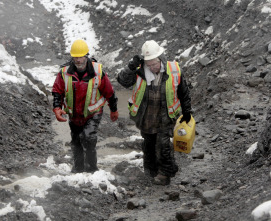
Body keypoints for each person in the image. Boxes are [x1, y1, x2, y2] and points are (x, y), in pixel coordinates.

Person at [117, 40, 192, 185]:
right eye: (149, 64)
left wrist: (187, 111)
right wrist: (130, 67)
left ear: (161, 58)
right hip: (146, 115)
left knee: (163, 144)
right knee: (149, 144)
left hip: (166, 115)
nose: (152, 68)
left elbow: (184, 92)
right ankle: (150, 171)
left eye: (154, 64)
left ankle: (165, 174)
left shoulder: (174, 69)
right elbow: (122, 81)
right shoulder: (139, 70)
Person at [52, 39, 119, 173]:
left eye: (81, 57)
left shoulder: (97, 71)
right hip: (74, 115)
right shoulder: (64, 72)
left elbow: (109, 92)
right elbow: (57, 91)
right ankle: (78, 169)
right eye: (75, 57)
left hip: (92, 113)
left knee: (88, 137)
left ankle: (92, 170)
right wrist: (57, 108)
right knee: (76, 141)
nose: (78, 60)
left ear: (86, 56)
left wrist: (113, 109)